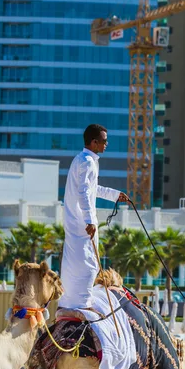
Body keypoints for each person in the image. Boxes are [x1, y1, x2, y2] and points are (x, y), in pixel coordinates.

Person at [58, 124, 129, 310]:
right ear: (94, 142)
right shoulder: (88, 161)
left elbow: (91, 189)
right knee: (89, 265)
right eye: (104, 141)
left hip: (76, 223)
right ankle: (83, 305)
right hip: (82, 224)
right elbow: (83, 192)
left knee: (74, 264)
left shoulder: (82, 159)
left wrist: (114, 195)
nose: (107, 144)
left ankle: (70, 302)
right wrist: (90, 220)